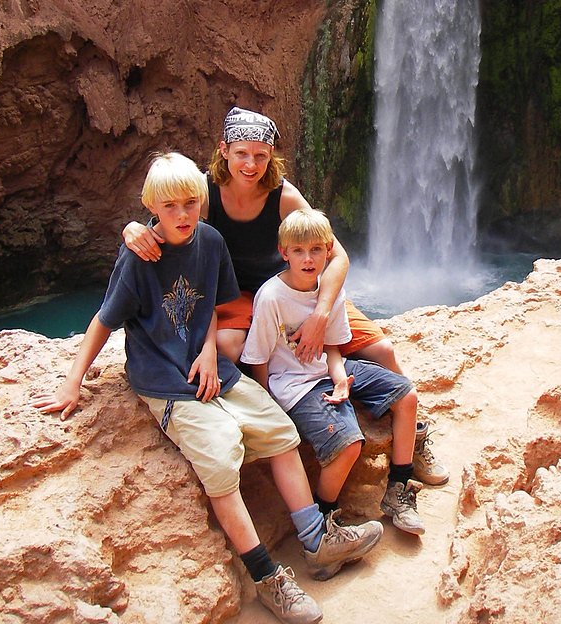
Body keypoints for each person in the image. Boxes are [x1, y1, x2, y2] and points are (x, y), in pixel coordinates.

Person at [33, 152, 382, 624]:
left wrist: (208, 351)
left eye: (191, 203)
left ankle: (316, 540)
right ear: (152, 207)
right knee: (220, 457)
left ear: (202, 200)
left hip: (213, 368)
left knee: (280, 432)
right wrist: (72, 382)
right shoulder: (139, 257)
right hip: (166, 382)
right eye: (170, 206)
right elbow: (103, 320)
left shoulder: (211, 241)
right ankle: (267, 577)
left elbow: (213, 308)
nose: (182, 214)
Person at [122, 107, 448, 488]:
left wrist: (320, 314)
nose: (250, 165)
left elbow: (338, 256)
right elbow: (166, 215)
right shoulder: (204, 192)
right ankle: (253, 412)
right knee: (228, 346)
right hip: (236, 294)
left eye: (260, 155)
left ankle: (416, 436)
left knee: (383, 350)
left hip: (292, 288)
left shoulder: (283, 196)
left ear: (271, 156)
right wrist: (132, 229)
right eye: (242, 153)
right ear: (224, 150)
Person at [244, 208, 426, 538]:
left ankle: (399, 488)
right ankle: (325, 519)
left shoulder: (331, 291)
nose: (308, 259)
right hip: (295, 386)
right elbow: (258, 357)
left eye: (316, 249)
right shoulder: (272, 297)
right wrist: (267, 403)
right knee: (348, 445)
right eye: (298, 250)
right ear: (284, 253)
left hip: (328, 371)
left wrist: (340, 377)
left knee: (407, 395)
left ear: (329, 250)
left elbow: (331, 347)